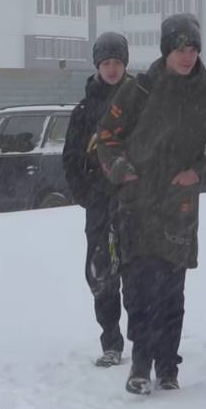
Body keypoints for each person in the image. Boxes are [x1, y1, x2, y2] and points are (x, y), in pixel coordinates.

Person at [96, 13, 206, 395]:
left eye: (192, 48)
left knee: (170, 291)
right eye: (180, 48)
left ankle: (167, 368)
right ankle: (141, 364)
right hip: (137, 204)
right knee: (138, 289)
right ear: (167, 50)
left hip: (178, 209)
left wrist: (200, 173)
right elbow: (106, 137)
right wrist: (120, 167)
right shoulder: (140, 91)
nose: (187, 56)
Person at [63, 32, 133, 368]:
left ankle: (143, 336)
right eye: (106, 63)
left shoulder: (140, 103)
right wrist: (88, 196)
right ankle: (111, 340)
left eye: (117, 62)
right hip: (100, 204)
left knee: (139, 271)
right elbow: (71, 158)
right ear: (97, 66)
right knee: (101, 273)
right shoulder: (84, 110)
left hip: (136, 203)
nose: (112, 69)